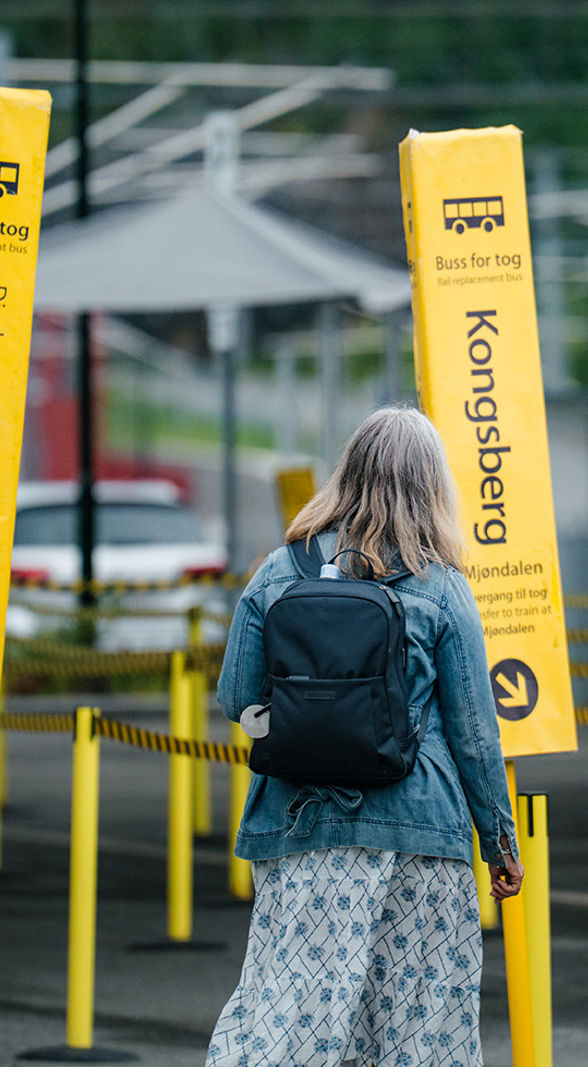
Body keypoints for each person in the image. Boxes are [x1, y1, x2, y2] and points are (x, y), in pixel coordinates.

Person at [209, 405, 524, 1067]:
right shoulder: (441, 586)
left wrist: (296, 739)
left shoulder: (280, 570)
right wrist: (500, 840)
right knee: (418, 1032)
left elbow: (237, 697)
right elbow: (473, 731)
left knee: (289, 1018)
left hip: (301, 826)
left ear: (347, 472)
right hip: (421, 837)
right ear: (432, 485)